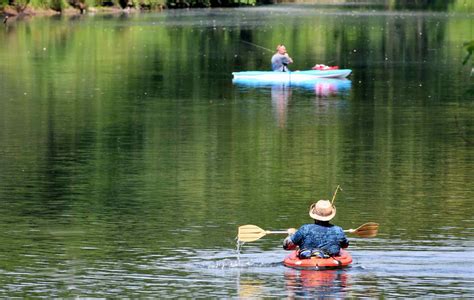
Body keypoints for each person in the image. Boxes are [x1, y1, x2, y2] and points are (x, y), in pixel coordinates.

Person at [283, 199, 349, 259]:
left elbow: (286, 246)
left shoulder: (304, 229)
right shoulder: (338, 230)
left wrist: (291, 234)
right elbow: (345, 245)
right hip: (332, 263)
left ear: (314, 214)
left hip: (307, 262)